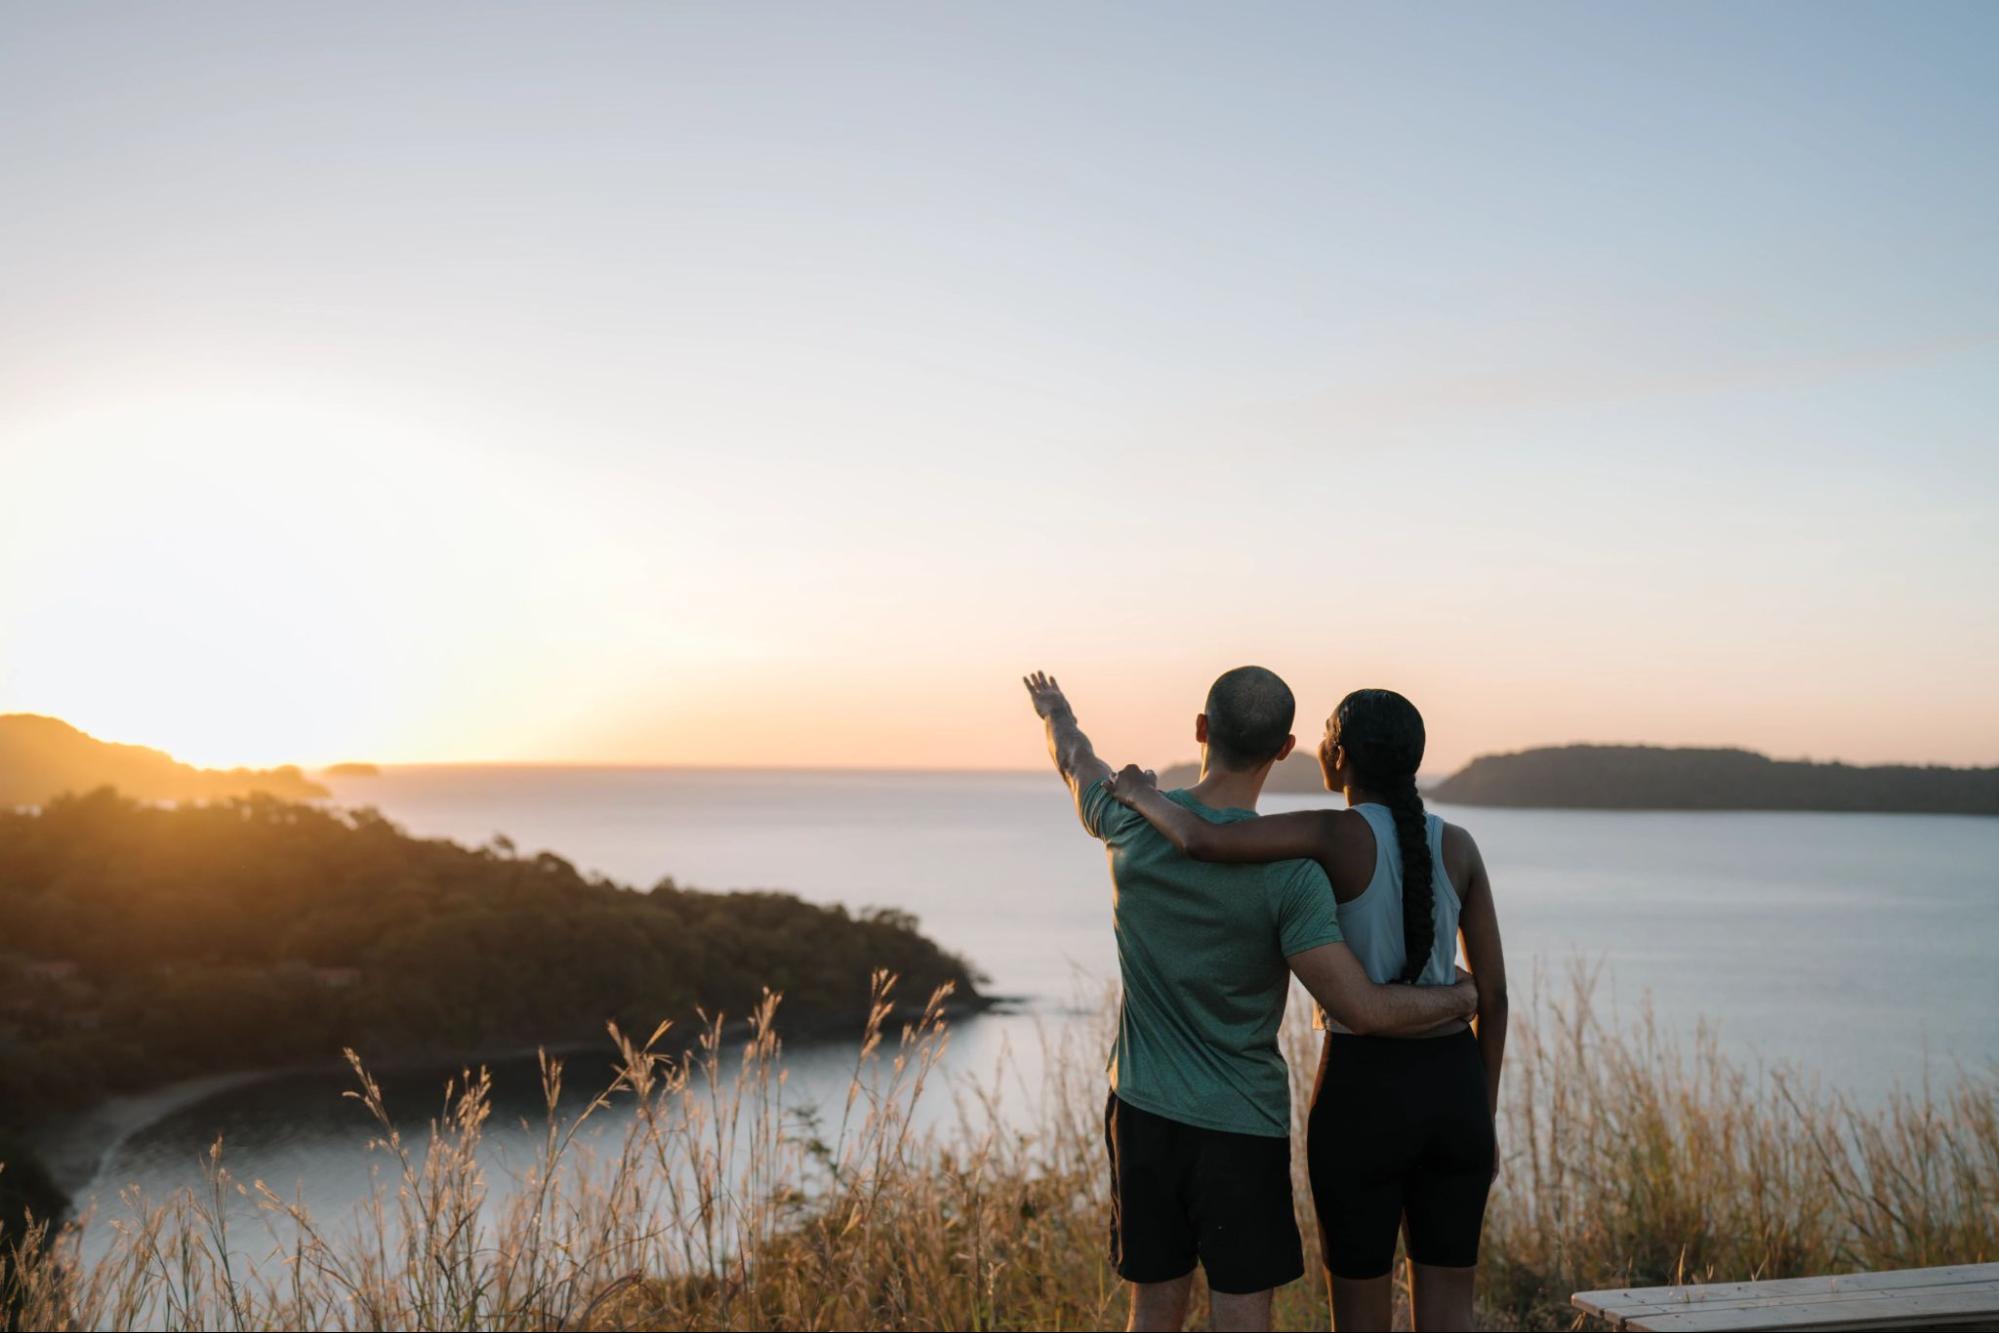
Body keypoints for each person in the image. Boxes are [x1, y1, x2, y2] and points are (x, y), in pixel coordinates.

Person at [1023, 668, 1479, 1333]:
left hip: (1143, 1110)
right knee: (1240, 1313)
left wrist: (1054, 709)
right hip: (1242, 1123)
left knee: (1150, 1311)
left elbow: (1073, 757)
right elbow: (1364, 1008)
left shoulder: (1129, 817)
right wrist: (1459, 996)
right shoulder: (1291, 873)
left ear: (1201, 729)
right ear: (1285, 747)